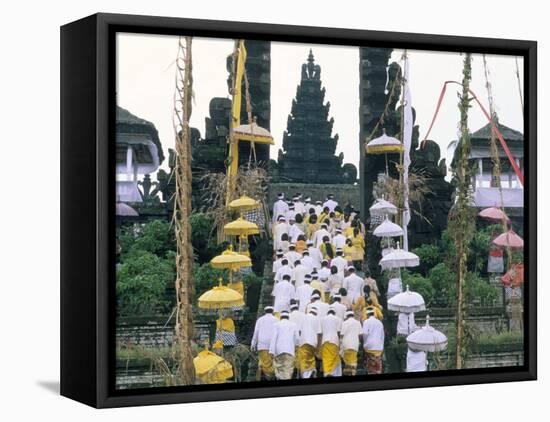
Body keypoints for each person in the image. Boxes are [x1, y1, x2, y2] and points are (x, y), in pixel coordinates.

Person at [269, 310, 300, 380]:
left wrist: (271, 351)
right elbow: (297, 339)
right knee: (287, 371)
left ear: (280, 317)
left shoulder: (276, 325)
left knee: (279, 370)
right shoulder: (294, 325)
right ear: (288, 317)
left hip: (278, 351)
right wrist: (296, 347)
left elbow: (273, 338)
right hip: (290, 351)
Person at [251, 306, 278, 380]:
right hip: (272, 346)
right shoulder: (276, 320)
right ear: (272, 311)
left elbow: (256, 332)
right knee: (270, 363)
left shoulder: (260, 320)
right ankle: (269, 377)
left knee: (263, 362)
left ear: (265, 311)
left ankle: (263, 377)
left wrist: (253, 344)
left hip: (262, 345)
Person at [297, 308, 321, 378]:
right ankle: (311, 371)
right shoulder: (317, 319)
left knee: (304, 360)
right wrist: (318, 347)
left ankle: (306, 375)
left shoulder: (303, 317)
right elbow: (319, 333)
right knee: (310, 358)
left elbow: (300, 331)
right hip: (313, 343)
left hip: (303, 342)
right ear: (316, 313)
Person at [320, 306, 342, 377]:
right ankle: (333, 373)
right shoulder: (338, 319)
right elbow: (338, 332)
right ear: (334, 313)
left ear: (327, 312)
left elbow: (321, 332)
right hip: (334, 341)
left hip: (325, 341)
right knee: (334, 358)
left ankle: (327, 373)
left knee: (326, 359)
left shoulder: (322, 319)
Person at [362, 308, 385, 375]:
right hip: (379, 347)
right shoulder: (379, 322)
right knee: (378, 367)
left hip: (369, 347)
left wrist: (365, 343)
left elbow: (365, 334)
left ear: (367, 314)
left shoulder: (366, 322)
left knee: (370, 367)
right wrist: (382, 346)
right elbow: (382, 336)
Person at [340, 310, 363, 376]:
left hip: (346, 345)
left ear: (347, 316)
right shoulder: (357, 322)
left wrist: (340, 344)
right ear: (353, 315)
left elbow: (341, 335)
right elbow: (360, 335)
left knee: (347, 362)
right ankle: (352, 373)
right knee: (353, 361)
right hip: (354, 345)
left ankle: (349, 374)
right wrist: (359, 342)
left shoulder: (344, 323)